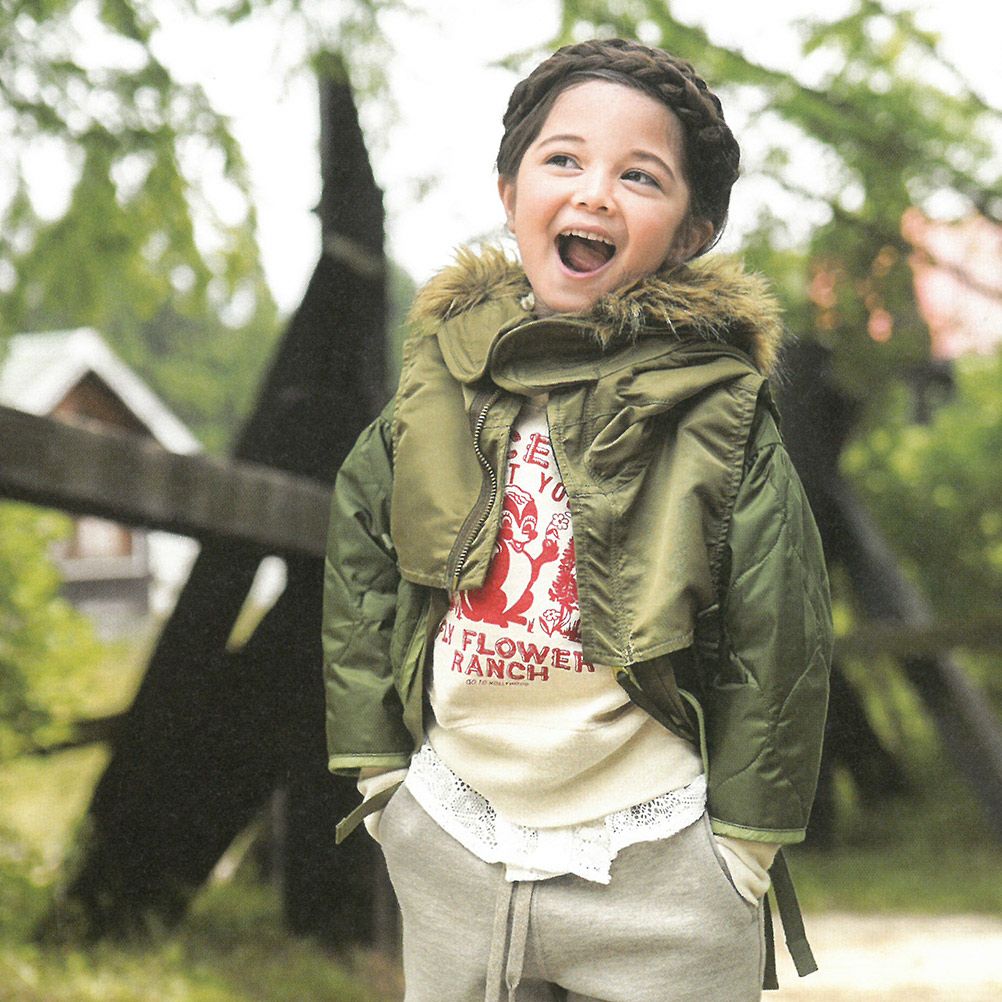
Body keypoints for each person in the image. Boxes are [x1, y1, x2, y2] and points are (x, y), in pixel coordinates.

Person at [323, 37, 832, 1002]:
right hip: (456, 833)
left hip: (659, 855)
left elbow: (780, 631)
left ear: (690, 231)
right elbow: (361, 567)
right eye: (564, 159)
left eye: (640, 176)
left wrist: (744, 851)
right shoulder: (438, 385)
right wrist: (383, 784)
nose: (596, 193)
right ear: (509, 192)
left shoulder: (719, 413)